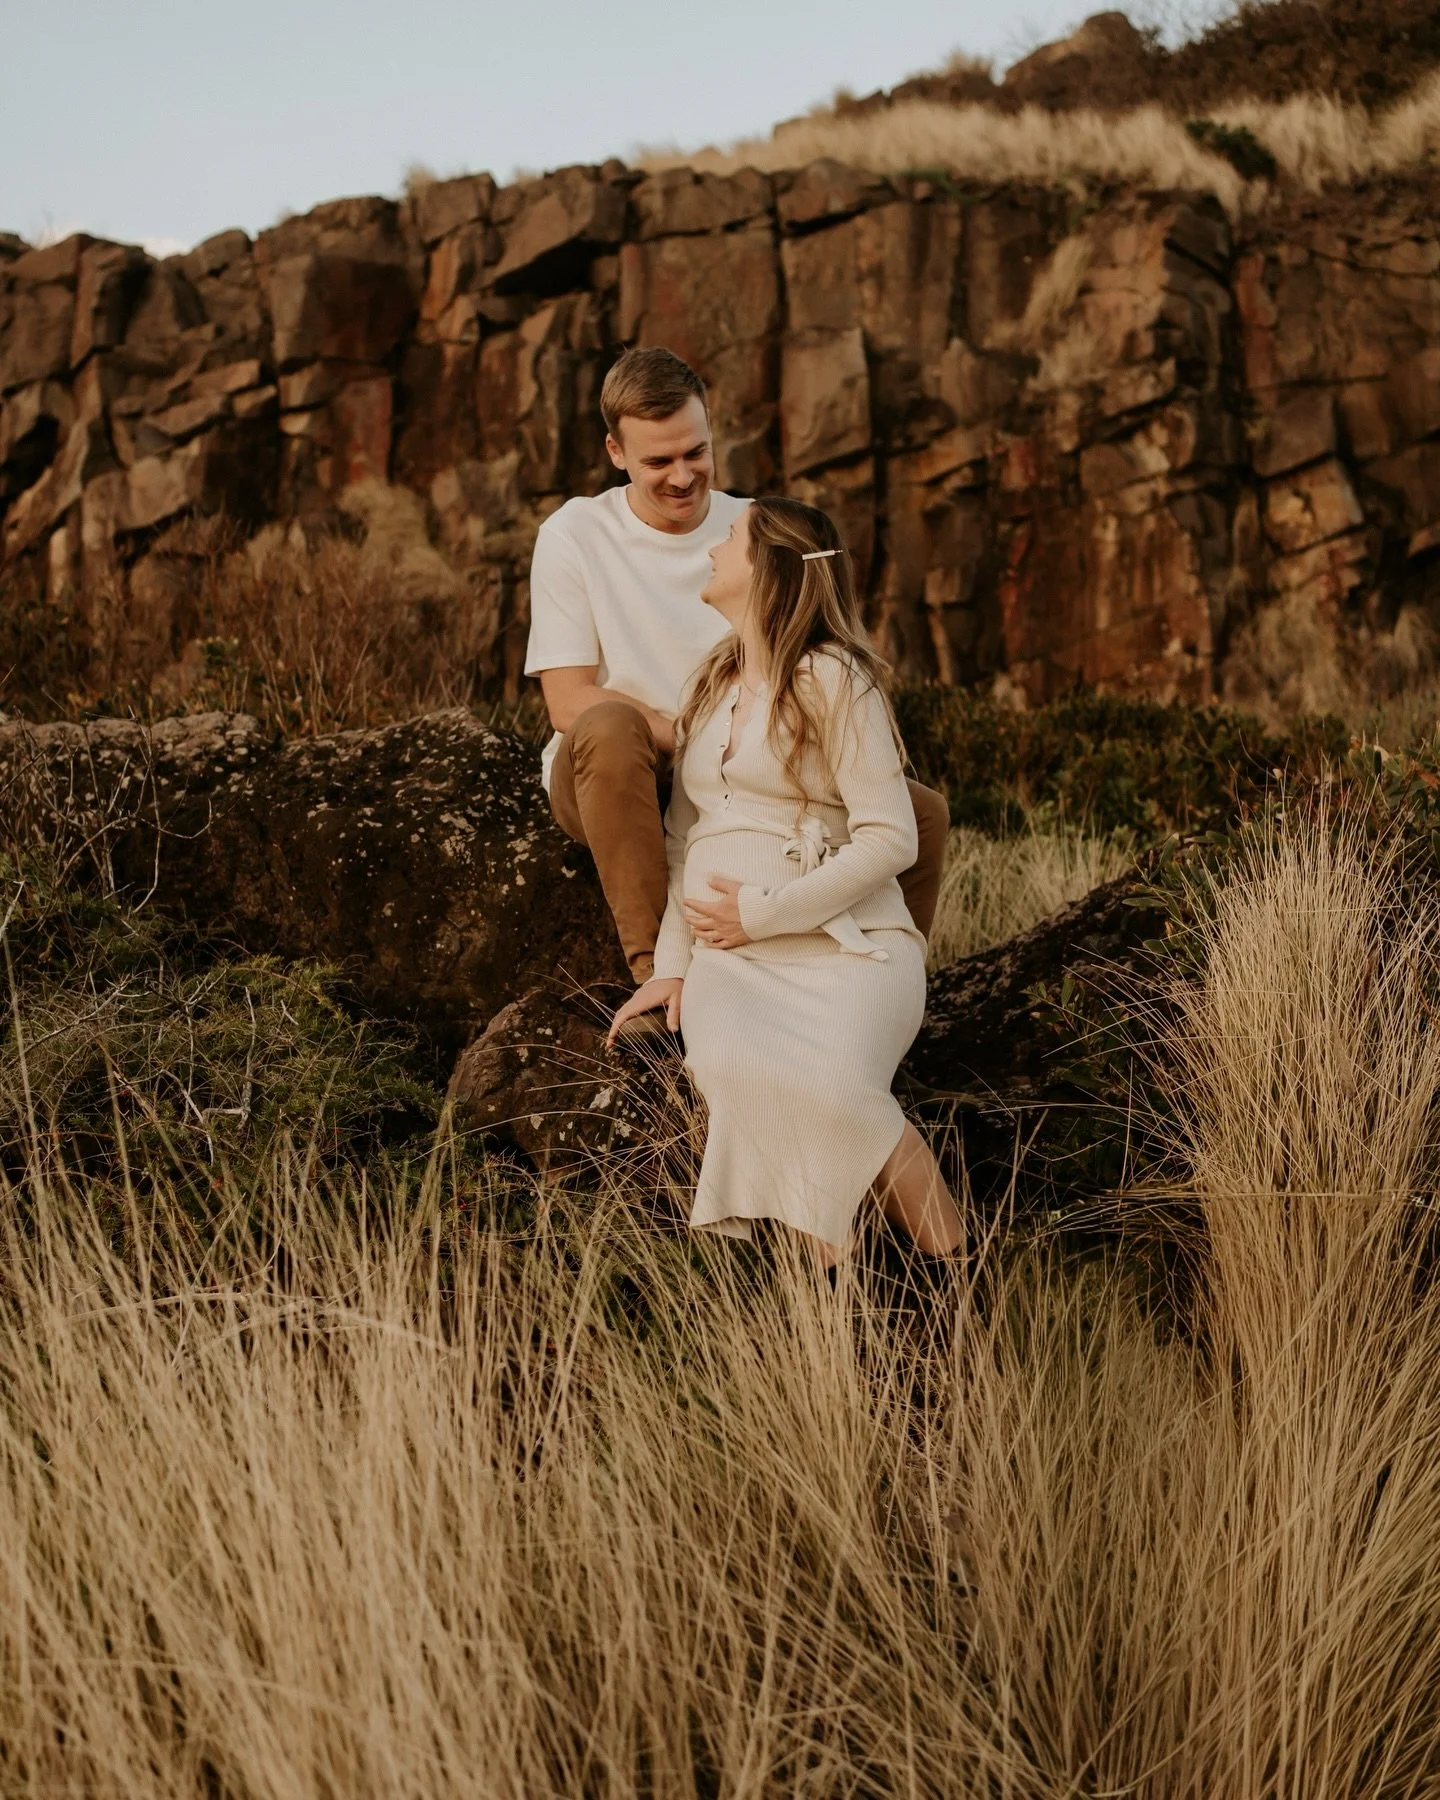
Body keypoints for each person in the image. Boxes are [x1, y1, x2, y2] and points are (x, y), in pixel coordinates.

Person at [523, 346, 950, 1003]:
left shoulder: (754, 529)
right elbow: (567, 699)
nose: (682, 476)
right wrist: (700, 743)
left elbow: (815, 656)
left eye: (695, 451)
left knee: (916, 814)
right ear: (615, 452)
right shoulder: (575, 533)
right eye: (657, 461)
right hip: (619, 771)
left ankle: (884, 983)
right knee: (609, 727)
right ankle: (656, 980)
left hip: (746, 768)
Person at [606, 497, 966, 1268]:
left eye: (730, 537)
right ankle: (840, 1323)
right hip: (732, 963)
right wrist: (671, 969)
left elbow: (892, 837)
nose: (714, 546)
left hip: (847, 950)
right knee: (742, 1074)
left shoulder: (834, 678)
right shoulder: (710, 682)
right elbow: (680, 846)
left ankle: (960, 1279)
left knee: (835, 1094)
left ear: (767, 568)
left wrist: (766, 912)